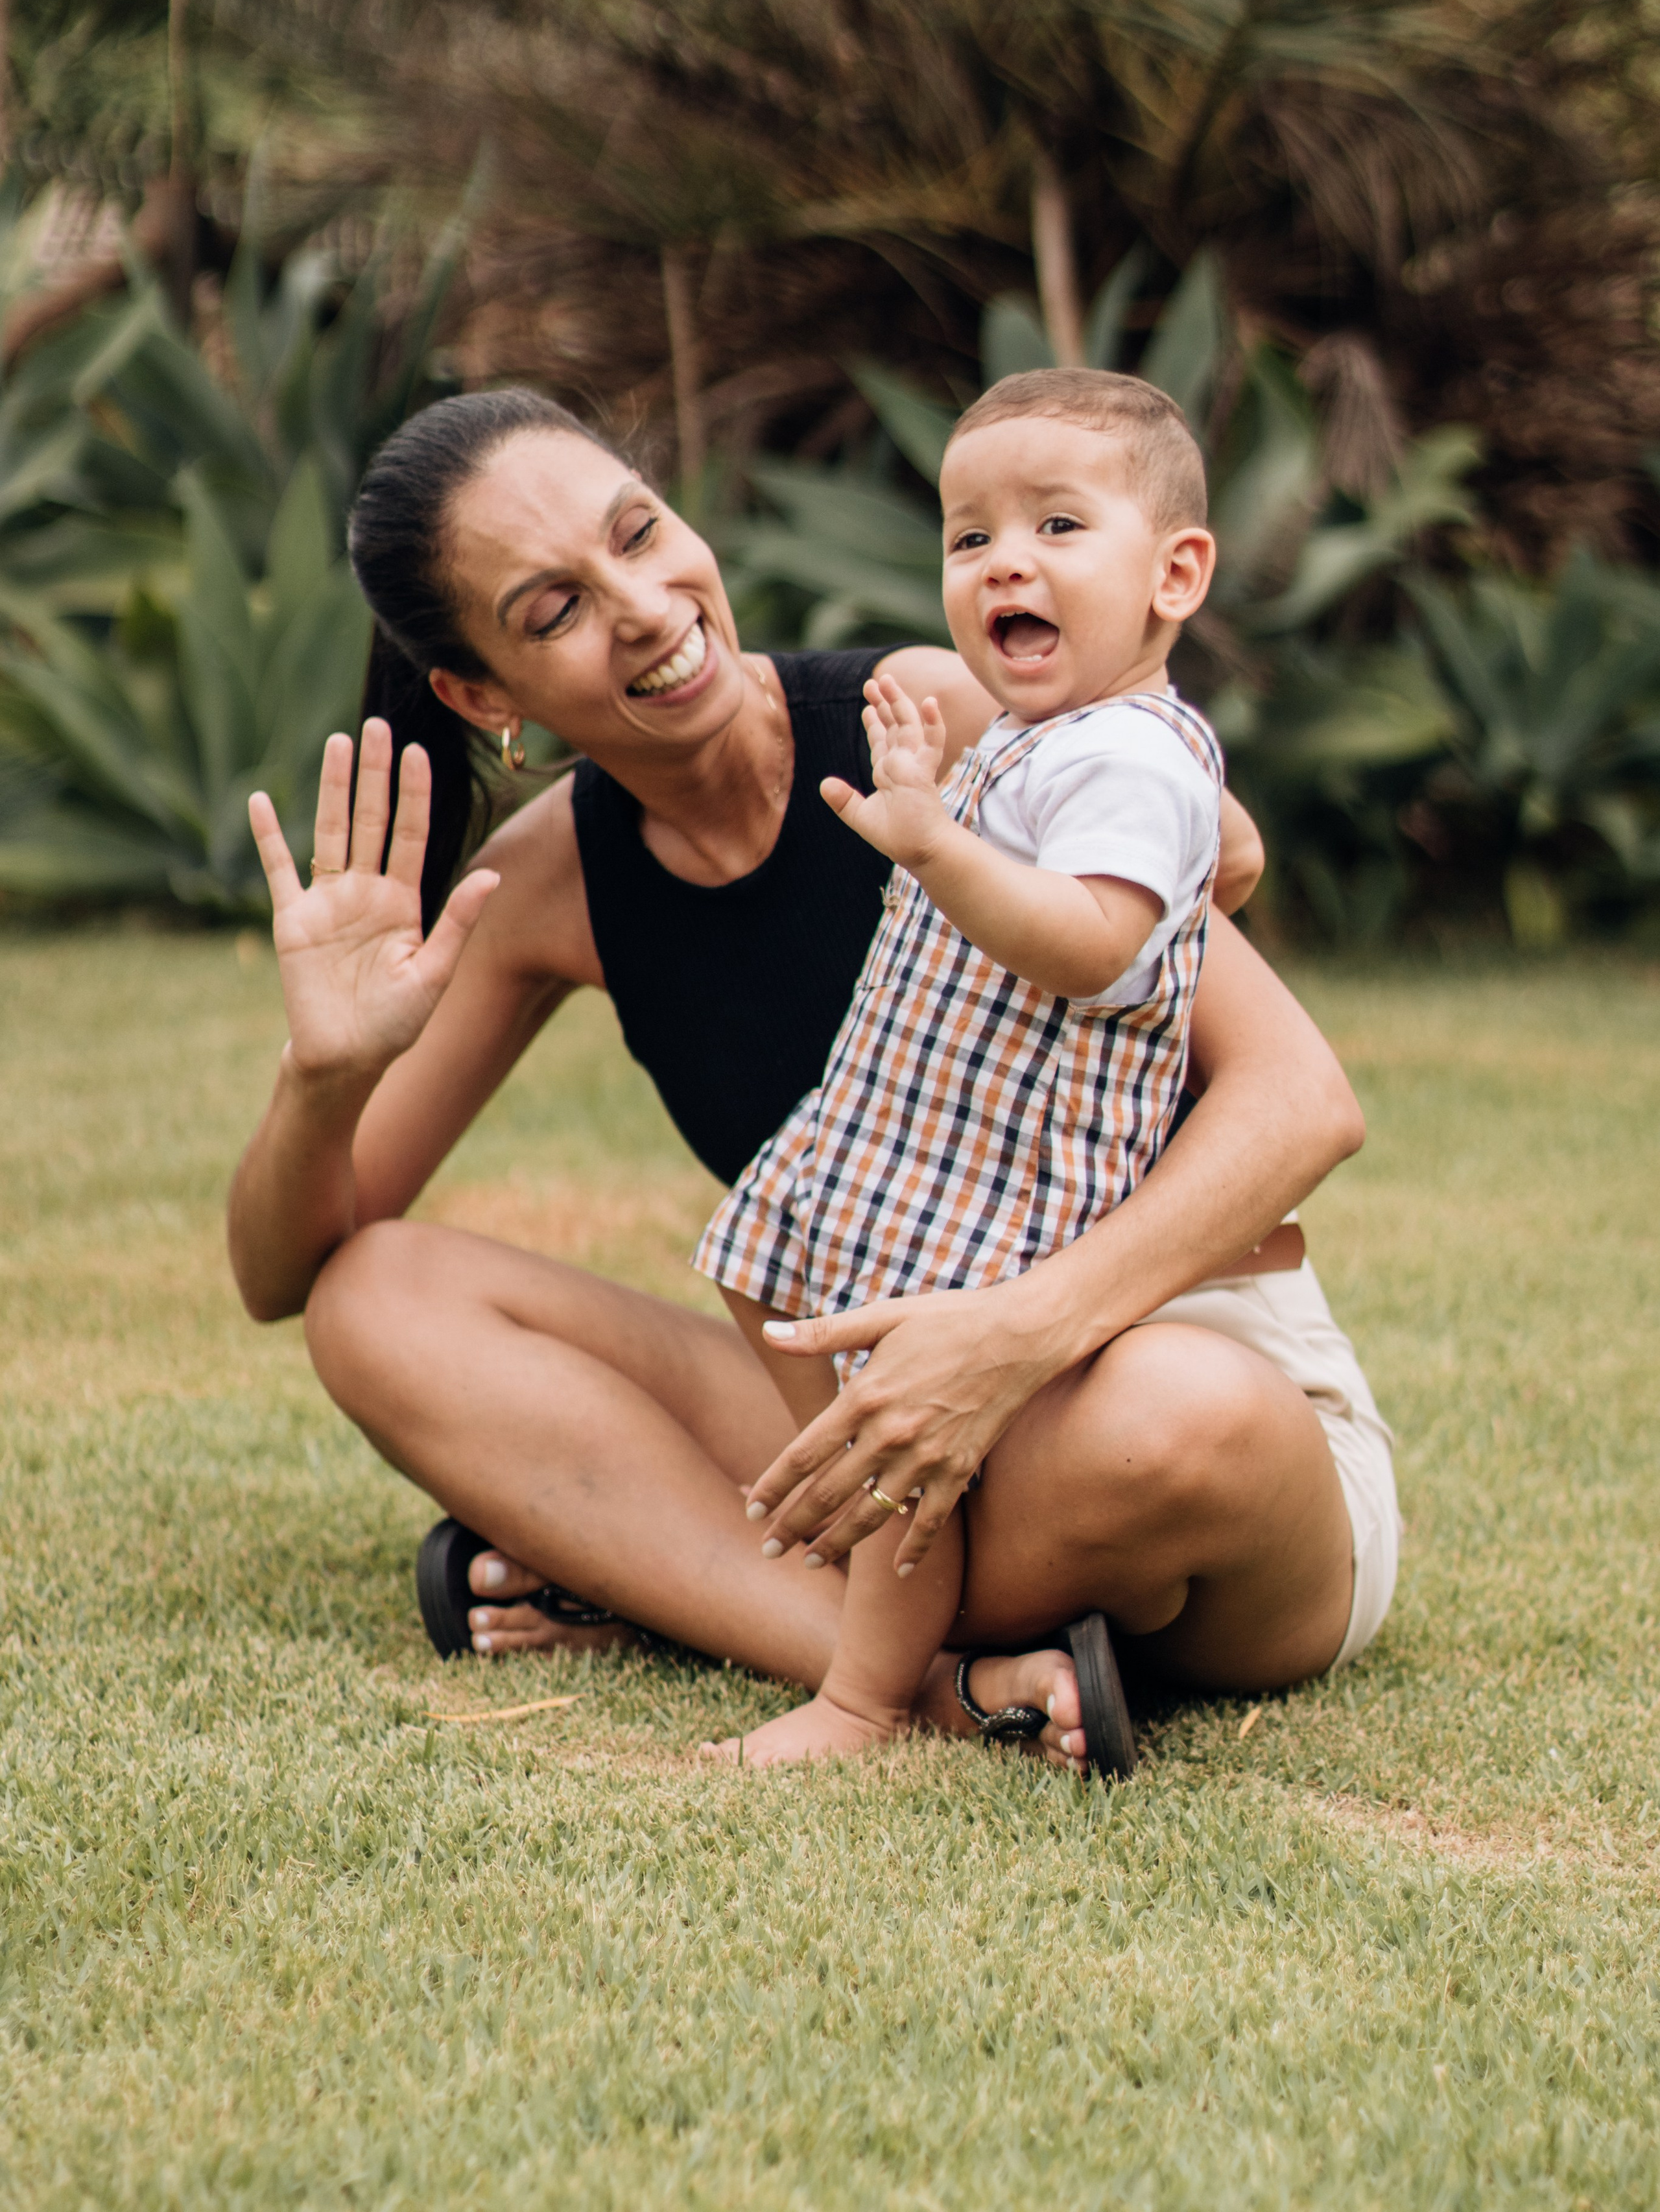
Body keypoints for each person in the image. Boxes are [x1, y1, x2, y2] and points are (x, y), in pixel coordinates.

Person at [230, 387, 1400, 1774]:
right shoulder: (551, 882)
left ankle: (673, 1583)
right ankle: (942, 1687)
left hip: (1156, 1386)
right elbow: (286, 1272)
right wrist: (326, 1074)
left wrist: (1011, 1340)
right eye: (553, 611)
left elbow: (1296, 1097)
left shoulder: (939, 717)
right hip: (884, 1434)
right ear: (485, 698)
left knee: (1170, 1421)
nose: (649, 607)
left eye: (640, 534)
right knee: (378, 1301)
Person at [695, 370, 1229, 1766]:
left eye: (1057, 526)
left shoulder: (1133, 761)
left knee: (882, 1426)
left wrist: (932, 839)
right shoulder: (1045, 740)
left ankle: (864, 1697)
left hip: (997, 1182)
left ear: (1174, 575)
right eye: (968, 536)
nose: (1003, 561)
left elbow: (1095, 945)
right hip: (911, 1141)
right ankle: (889, 1544)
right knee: (764, 1279)